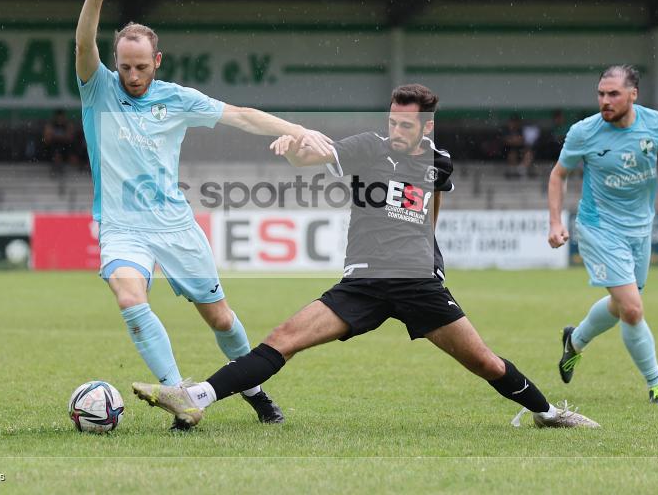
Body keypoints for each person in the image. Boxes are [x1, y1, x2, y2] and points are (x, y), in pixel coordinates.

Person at [131, 85, 599, 430]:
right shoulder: (368, 147)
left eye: (405, 124)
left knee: (485, 363)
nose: (395, 129)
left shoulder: (439, 162)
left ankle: (547, 413)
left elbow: (432, 211)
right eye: (392, 120)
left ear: (426, 126)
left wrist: (431, 253)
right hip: (363, 283)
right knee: (283, 338)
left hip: (418, 284)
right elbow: (314, 158)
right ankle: (195, 398)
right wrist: (294, 149)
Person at [74, 0, 334, 428]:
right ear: (116, 63)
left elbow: (243, 115)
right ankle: (181, 397)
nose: (132, 75)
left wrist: (298, 129)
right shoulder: (99, 91)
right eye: (125, 66)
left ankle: (256, 394)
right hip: (121, 225)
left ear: (158, 60)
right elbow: (83, 45)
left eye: (140, 66)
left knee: (219, 318)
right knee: (129, 297)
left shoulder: (176, 98)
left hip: (174, 225)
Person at [547, 65, 658, 404]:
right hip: (599, 228)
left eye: (613, 94)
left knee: (620, 305)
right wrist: (555, 222)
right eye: (601, 94)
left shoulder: (656, 125)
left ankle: (575, 341)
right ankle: (656, 384)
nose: (605, 100)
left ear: (634, 94)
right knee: (632, 308)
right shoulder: (584, 132)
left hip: (640, 230)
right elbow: (559, 175)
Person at [42, 109, 78, 174]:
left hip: (66, 147)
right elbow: (47, 139)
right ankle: (57, 163)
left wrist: (56, 136)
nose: (60, 119)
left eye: (62, 117)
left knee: (69, 149)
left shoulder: (68, 125)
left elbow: (70, 137)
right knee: (56, 149)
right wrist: (61, 137)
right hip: (53, 147)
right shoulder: (51, 125)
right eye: (59, 117)